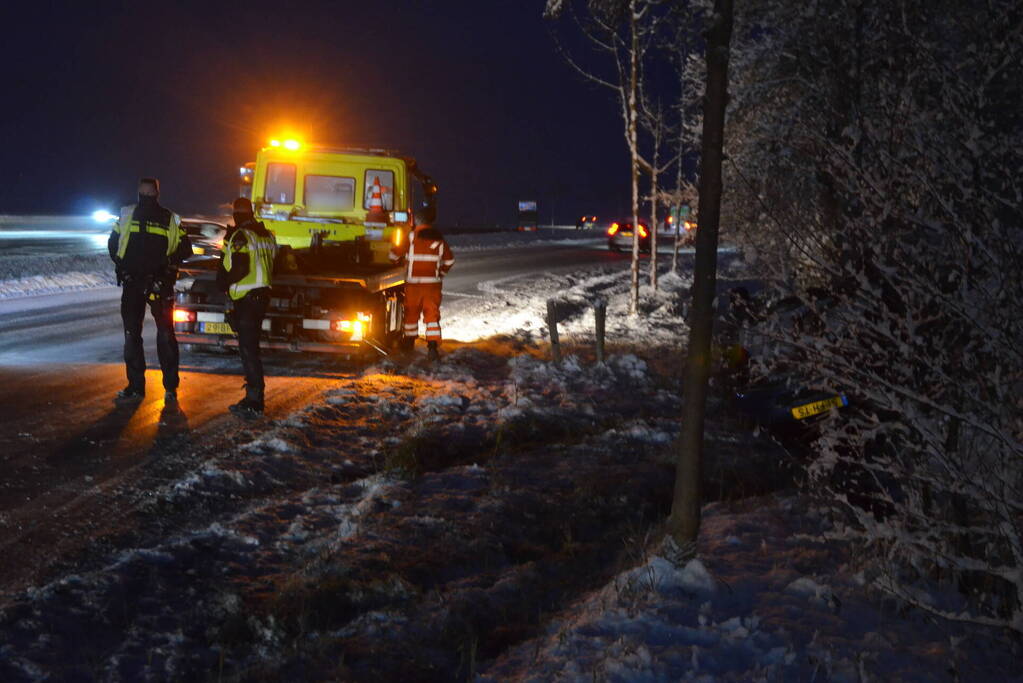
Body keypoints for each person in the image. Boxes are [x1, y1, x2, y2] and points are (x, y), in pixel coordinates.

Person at [108, 177, 192, 402]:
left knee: (132, 335)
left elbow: (112, 245)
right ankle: (170, 389)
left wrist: (123, 268)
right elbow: (186, 249)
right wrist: (166, 266)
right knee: (165, 334)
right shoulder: (170, 219)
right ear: (157, 193)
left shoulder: (126, 215)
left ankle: (136, 387)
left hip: (134, 283)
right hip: (160, 284)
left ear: (139, 194)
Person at [217, 197, 277, 416]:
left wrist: (223, 283)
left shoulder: (242, 235)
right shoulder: (267, 235)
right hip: (260, 297)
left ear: (236, 214)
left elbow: (240, 267)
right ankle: (254, 397)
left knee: (248, 350)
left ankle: (254, 401)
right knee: (250, 348)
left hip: (247, 299)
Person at [389, 209, 454, 362]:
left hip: (413, 285)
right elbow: (450, 261)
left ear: (416, 221)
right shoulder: (439, 240)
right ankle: (432, 347)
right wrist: (440, 274)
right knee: (432, 316)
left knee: (411, 314)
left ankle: (409, 343)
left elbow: (394, 255)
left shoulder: (411, 237)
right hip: (432, 286)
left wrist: (395, 260)